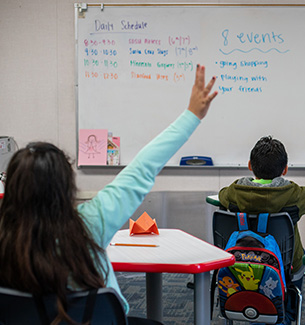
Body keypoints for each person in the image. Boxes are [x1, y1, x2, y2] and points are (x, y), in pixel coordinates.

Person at [0, 65, 217, 324]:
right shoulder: (89, 224)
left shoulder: (5, 240)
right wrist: (192, 115)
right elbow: (143, 167)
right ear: (64, 187)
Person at [218, 135, 305, 323]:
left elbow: (222, 195)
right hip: (285, 264)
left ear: (250, 165)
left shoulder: (235, 192)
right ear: (285, 169)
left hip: (239, 260)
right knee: (300, 255)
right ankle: (287, 314)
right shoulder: (293, 194)